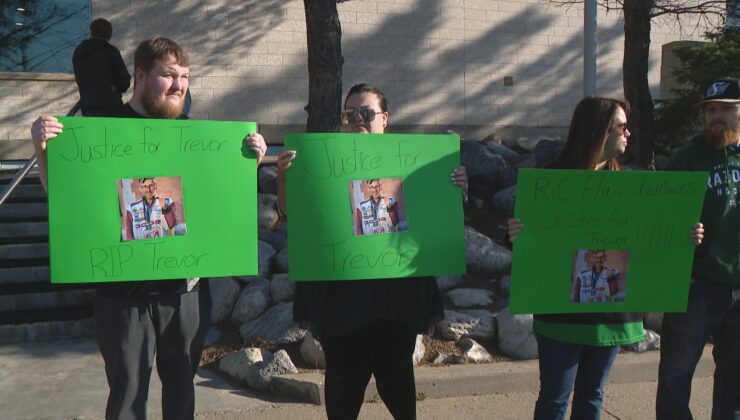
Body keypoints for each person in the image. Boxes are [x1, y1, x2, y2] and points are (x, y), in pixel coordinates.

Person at [31, 37, 267, 420]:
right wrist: (43, 150)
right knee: (127, 395)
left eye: (185, 77)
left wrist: (248, 164)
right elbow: (63, 197)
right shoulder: (102, 130)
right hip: (123, 295)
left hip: (185, 294)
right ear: (140, 76)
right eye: (168, 76)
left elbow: (219, 203)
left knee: (181, 393)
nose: (180, 86)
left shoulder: (198, 139)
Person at [276, 83, 468, 420]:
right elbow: (292, 212)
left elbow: (433, 218)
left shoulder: (413, 164)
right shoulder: (324, 162)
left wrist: (454, 189)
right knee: (342, 388)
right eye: (349, 114)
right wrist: (284, 177)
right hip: (343, 296)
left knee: (397, 382)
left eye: (366, 113)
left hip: (397, 294)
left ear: (385, 119)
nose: (357, 120)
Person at [508, 96, 701, 420]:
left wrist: (686, 236)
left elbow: (652, 241)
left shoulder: (629, 186)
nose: (629, 134)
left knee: (592, 398)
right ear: (598, 131)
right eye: (622, 127)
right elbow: (534, 243)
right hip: (560, 315)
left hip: (609, 316)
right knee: (554, 399)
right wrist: (514, 234)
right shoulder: (550, 182)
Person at [656, 77, 739, 420]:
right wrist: (682, 232)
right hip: (696, 285)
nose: (715, 116)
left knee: (735, 381)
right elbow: (659, 224)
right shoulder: (686, 159)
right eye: (710, 110)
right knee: (676, 373)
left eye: (725, 109)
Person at [72, 18, 131, 117]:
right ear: (109, 33)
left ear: (92, 31)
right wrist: (114, 89)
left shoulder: (79, 51)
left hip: (88, 105)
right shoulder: (111, 51)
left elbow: (79, 77)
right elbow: (124, 81)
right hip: (111, 106)